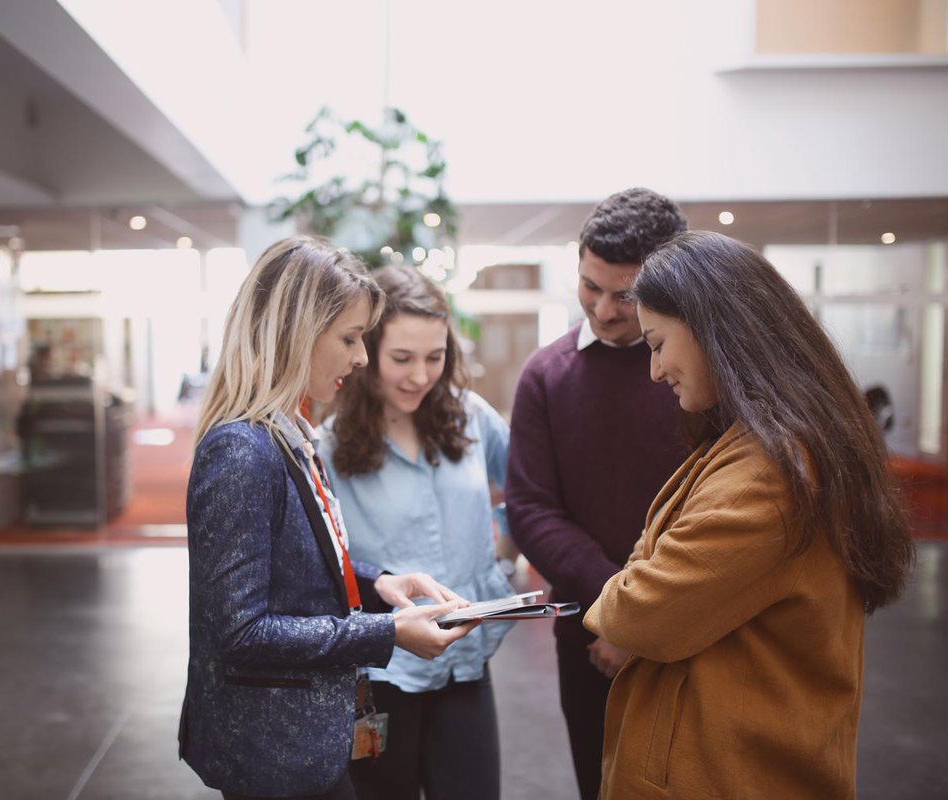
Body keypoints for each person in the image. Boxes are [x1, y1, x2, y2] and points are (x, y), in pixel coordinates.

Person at [584, 230, 915, 798]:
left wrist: (626, 581)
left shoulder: (771, 474)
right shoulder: (765, 442)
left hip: (730, 772)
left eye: (659, 343)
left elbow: (637, 613)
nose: (656, 370)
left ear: (716, 331)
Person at [179, 236, 479, 800]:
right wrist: (386, 631)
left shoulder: (284, 431)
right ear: (297, 333)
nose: (361, 357)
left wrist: (379, 584)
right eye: (349, 338)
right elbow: (241, 633)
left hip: (302, 748)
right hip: (275, 755)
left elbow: (298, 563)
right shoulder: (242, 450)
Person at [505, 187, 690, 800]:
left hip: (693, 633)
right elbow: (531, 510)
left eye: (626, 294)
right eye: (590, 286)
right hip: (588, 639)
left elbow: (718, 513)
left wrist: (646, 623)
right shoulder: (546, 375)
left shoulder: (706, 375)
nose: (603, 310)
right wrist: (617, 614)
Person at [318, 266, 515, 800]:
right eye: (402, 359)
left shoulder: (472, 417)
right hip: (382, 673)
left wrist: (503, 554)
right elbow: (325, 559)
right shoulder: (330, 445)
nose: (420, 376)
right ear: (367, 354)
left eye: (435, 357)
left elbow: (529, 490)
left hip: (466, 662)